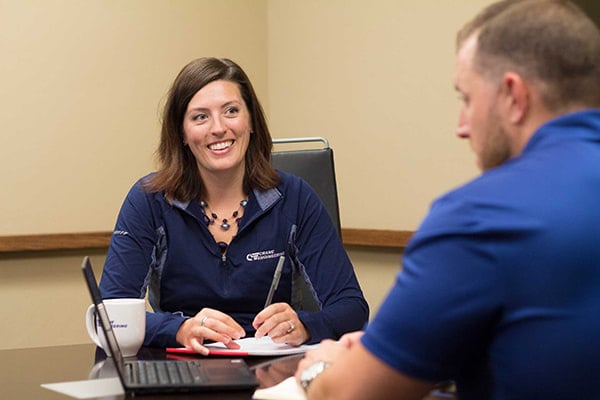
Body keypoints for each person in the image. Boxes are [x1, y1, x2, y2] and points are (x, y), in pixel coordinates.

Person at [294, 1, 600, 399]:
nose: (461, 126)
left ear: (512, 95)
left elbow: (349, 394)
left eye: (467, 99)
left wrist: (323, 368)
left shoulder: (484, 216)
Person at [99, 57, 369, 353]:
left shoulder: (295, 197)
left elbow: (351, 307)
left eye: (231, 111)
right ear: (182, 134)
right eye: (200, 117)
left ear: (251, 121)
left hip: (273, 375)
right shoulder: (148, 200)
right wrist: (178, 329)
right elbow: (110, 316)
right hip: (179, 370)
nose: (218, 128)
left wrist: (305, 325)